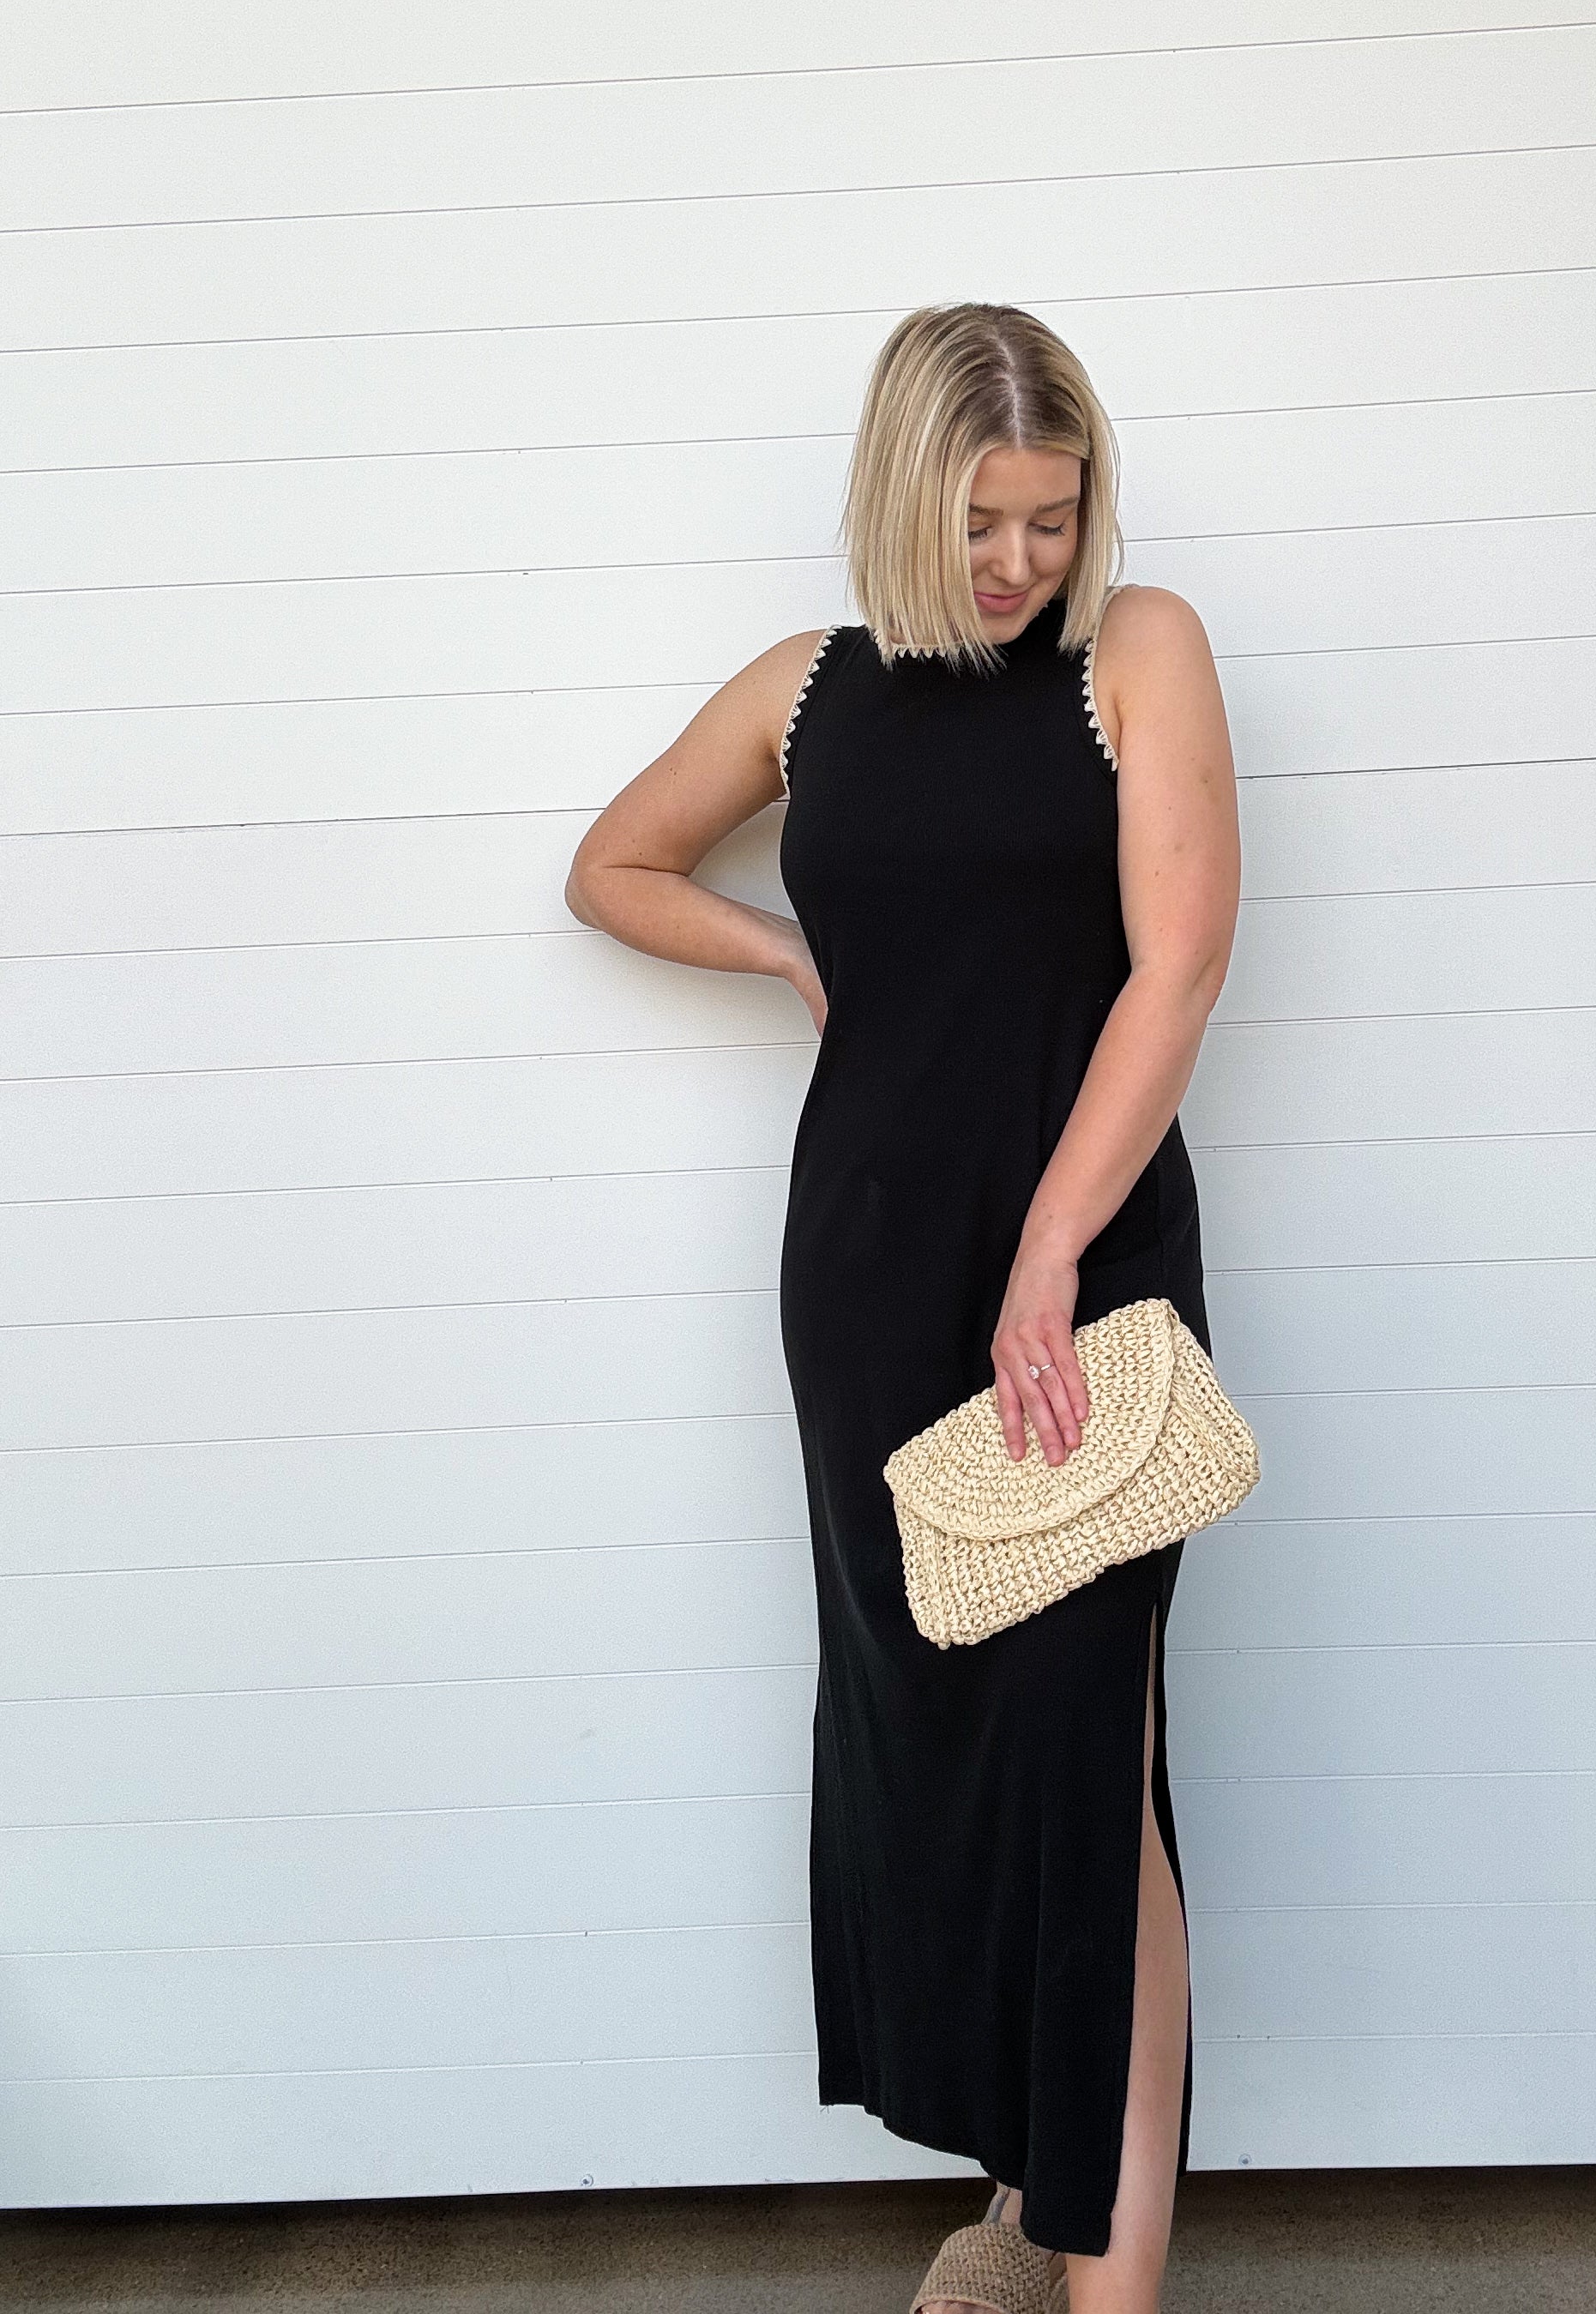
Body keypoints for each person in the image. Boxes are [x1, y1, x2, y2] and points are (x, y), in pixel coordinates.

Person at [565, 303, 1240, 2314]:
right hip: (868, 1276)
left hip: (1083, 1269)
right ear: (896, 497)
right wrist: (787, 953)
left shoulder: (1141, 653)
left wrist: (1050, 1247)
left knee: (1089, 1761)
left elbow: (1181, 965)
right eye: (979, 518)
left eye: (1054, 512)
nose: (1021, 558)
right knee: (941, 1749)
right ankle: (1025, 2201)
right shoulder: (805, 691)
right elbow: (610, 865)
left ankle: (1108, 2281)